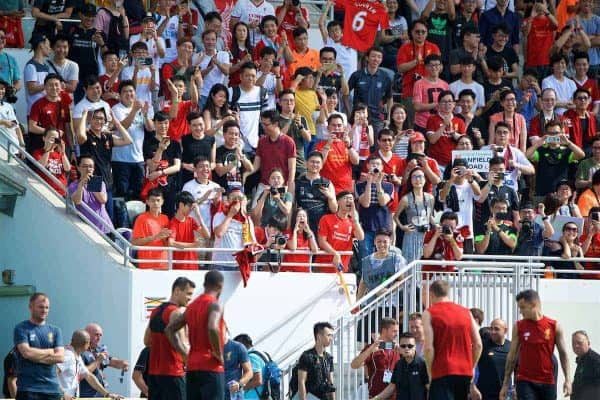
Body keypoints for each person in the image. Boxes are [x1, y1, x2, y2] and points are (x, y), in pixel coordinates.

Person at [165, 270, 226, 400]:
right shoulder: (215, 304)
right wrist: (218, 353)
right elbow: (212, 327)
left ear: (204, 284)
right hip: (211, 366)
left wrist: (183, 353)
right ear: (220, 286)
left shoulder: (192, 306)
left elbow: (169, 330)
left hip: (192, 366)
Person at [500, 289, 572, 400]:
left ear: (534, 305)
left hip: (547, 380)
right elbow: (512, 355)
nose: (520, 311)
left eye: (523, 307)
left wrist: (568, 379)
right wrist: (505, 383)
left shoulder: (554, 326)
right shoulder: (519, 326)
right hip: (525, 380)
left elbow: (563, 354)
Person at [422, 280, 482, 399]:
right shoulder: (466, 312)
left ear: (432, 294)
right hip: (464, 371)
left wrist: (429, 372)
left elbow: (428, 348)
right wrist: (472, 366)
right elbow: (478, 344)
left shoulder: (429, 313)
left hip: (442, 370)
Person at [144, 277, 195, 400]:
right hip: (174, 374)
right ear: (177, 291)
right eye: (188, 294)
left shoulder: (155, 311)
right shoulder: (176, 313)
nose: (190, 298)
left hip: (155, 376)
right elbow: (182, 345)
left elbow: (146, 341)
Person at [13, 293, 64, 399]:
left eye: (47, 307)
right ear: (30, 307)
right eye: (41, 307)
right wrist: (50, 352)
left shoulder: (55, 331)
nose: (44, 310)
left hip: (52, 390)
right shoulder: (21, 328)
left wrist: (34, 356)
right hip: (28, 389)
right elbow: (26, 353)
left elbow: (60, 357)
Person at [112, 79, 154, 201]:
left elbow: (150, 128)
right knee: (122, 194)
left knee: (137, 194)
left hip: (138, 159)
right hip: (121, 160)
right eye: (125, 91)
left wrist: (145, 114)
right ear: (119, 95)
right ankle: (121, 219)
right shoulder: (116, 109)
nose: (129, 94)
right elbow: (122, 127)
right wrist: (134, 111)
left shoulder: (141, 108)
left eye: (131, 91)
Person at [396, 21, 441, 127]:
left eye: (423, 32)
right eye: (417, 32)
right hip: (410, 92)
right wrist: (415, 62)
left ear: (427, 33)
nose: (420, 34)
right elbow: (400, 68)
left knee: (430, 125)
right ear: (411, 32)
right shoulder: (405, 48)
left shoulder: (434, 48)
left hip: (429, 92)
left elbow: (440, 68)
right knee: (410, 125)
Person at [525, 119, 585, 197]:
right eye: (550, 133)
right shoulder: (540, 150)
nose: (553, 136)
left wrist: (569, 143)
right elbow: (526, 156)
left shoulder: (567, 151)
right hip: (542, 193)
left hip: (561, 194)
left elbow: (581, 155)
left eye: (556, 133)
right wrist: (537, 144)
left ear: (561, 133)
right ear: (545, 134)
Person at [56, 330, 120, 400]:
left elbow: (88, 376)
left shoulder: (77, 356)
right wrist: (62, 394)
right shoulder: (68, 355)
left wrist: (107, 394)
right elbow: (51, 374)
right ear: (86, 344)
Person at [350, 318, 401, 398]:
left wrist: (402, 350)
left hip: (396, 396)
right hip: (376, 396)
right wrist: (370, 350)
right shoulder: (371, 348)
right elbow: (354, 365)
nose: (397, 334)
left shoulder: (397, 348)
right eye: (394, 331)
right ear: (384, 331)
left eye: (397, 331)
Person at [252, 110, 297, 202]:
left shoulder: (289, 142)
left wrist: (289, 189)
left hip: (282, 185)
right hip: (264, 185)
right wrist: (245, 174)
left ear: (276, 123)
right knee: (255, 213)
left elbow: (292, 169)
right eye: (262, 124)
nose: (263, 127)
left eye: (266, 124)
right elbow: (255, 166)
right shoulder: (262, 141)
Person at [347, 47, 392, 135]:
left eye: (379, 57)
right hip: (359, 116)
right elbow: (345, 94)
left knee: (375, 146)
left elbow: (390, 98)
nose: (376, 59)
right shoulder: (356, 75)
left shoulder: (385, 77)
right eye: (373, 56)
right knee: (357, 145)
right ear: (367, 58)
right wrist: (349, 112)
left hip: (377, 118)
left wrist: (388, 117)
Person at [370, 332, 429, 400]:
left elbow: (429, 388)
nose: (406, 348)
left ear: (415, 346)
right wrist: (376, 398)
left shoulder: (423, 364)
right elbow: (392, 386)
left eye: (410, 346)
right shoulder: (398, 365)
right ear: (399, 347)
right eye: (403, 346)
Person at [316, 191, 365, 272]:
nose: (349, 201)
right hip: (323, 266)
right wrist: (335, 253)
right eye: (346, 198)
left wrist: (355, 220)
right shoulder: (326, 219)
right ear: (338, 201)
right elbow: (322, 242)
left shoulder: (352, 222)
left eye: (351, 199)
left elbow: (361, 237)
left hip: (341, 268)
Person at [357, 156, 394, 261]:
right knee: (365, 257)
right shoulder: (360, 186)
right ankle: (365, 277)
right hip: (366, 226)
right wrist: (369, 183)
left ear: (382, 167)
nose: (375, 166)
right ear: (368, 166)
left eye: (378, 164)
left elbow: (382, 202)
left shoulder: (389, 186)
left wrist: (378, 183)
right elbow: (365, 203)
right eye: (372, 164)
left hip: (383, 227)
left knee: (384, 257)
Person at [395, 168, 435, 263]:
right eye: (414, 177)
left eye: (420, 177)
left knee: (425, 263)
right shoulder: (405, 199)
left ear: (425, 179)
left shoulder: (430, 198)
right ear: (410, 180)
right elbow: (395, 217)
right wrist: (402, 227)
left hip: (426, 234)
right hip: (412, 235)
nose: (418, 180)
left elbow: (429, 216)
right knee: (411, 262)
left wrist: (436, 225)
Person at [212, 184, 256, 269]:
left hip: (239, 264)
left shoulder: (247, 220)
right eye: (233, 198)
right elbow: (219, 233)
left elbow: (250, 243)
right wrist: (230, 215)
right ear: (228, 201)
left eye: (239, 198)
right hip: (221, 263)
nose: (236, 201)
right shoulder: (219, 215)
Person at [80, 323, 129, 398]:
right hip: (87, 396)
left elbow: (112, 362)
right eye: (96, 335)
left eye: (100, 335)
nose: (99, 338)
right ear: (87, 334)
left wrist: (122, 363)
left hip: (101, 394)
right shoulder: (80, 351)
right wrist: (97, 361)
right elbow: (81, 374)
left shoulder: (99, 349)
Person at [314, 114, 360, 194]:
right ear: (328, 128)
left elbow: (356, 161)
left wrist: (349, 147)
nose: (337, 128)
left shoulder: (347, 144)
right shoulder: (320, 145)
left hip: (345, 189)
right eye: (333, 125)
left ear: (344, 128)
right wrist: (328, 145)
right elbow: (319, 164)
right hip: (327, 189)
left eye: (339, 125)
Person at [69, 155, 114, 235]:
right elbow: (77, 202)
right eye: (85, 166)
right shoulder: (74, 185)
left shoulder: (100, 183)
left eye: (91, 166)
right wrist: (81, 185)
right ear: (78, 168)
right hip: (87, 230)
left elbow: (103, 200)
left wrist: (92, 182)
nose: (88, 169)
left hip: (105, 228)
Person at [356, 230, 407, 300]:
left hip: (391, 303)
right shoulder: (366, 261)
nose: (382, 244)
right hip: (371, 305)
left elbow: (401, 280)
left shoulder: (397, 259)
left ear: (390, 242)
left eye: (385, 242)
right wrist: (358, 302)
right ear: (374, 242)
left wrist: (388, 291)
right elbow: (363, 283)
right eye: (379, 241)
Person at [294, 151, 338, 233]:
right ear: (306, 163)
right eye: (312, 162)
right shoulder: (298, 182)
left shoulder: (327, 183)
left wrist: (330, 197)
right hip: (302, 224)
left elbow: (334, 210)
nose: (315, 165)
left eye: (318, 162)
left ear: (321, 165)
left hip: (321, 224)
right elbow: (293, 205)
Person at [168, 191, 210, 270]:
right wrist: (192, 245)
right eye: (189, 205)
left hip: (193, 265)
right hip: (179, 267)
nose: (191, 208)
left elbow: (207, 235)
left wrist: (198, 215)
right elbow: (171, 243)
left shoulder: (191, 221)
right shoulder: (173, 222)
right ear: (181, 205)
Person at [132, 187, 170, 269]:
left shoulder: (165, 218)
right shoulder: (141, 218)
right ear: (147, 202)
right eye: (153, 200)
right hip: (146, 264)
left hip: (163, 264)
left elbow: (167, 243)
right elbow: (135, 242)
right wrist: (155, 237)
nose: (155, 203)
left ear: (162, 202)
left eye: (158, 200)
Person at [297, 322, 336, 400]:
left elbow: (331, 383)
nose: (331, 338)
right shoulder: (306, 356)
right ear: (319, 337)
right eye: (328, 335)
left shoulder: (328, 358)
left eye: (331, 335)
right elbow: (301, 382)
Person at [413, 54, 450, 134]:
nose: (434, 68)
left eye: (437, 65)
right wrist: (437, 104)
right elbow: (417, 106)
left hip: (440, 124)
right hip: (422, 124)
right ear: (426, 67)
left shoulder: (445, 85)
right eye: (431, 65)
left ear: (441, 66)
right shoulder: (419, 84)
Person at [476, 318, 511, 400]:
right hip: (484, 394)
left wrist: (516, 389)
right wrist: (472, 387)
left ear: (505, 331)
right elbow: (471, 366)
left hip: (504, 394)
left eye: (496, 329)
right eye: (491, 328)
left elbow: (518, 369)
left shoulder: (511, 347)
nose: (492, 332)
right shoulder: (483, 346)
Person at [33, 127, 70, 196]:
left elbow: (67, 168)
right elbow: (40, 166)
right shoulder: (38, 152)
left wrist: (63, 153)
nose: (54, 141)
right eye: (51, 138)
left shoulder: (59, 154)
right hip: (46, 191)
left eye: (56, 139)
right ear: (44, 138)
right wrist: (49, 149)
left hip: (62, 192)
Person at [571, 330, 600, 400]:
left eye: (579, 343)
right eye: (573, 343)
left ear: (588, 343)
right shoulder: (581, 361)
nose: (576, 346)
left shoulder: (595, 360)